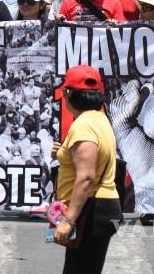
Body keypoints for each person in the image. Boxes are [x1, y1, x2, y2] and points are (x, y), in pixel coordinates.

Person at [50, 65, 121, 274]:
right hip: (98, 207)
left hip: (91, 209)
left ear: (69, 94)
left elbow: (86, 176)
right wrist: (63, 152)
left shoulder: (83, 126)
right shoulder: (98, 118)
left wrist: (68, 220)